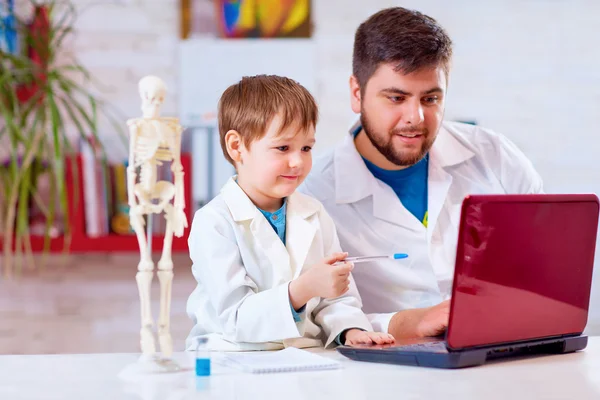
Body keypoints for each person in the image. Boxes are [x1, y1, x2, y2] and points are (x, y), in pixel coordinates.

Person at [299, 7, 543, 340]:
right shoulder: (312, 196)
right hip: (386, 372)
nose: (415, 117)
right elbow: (312, 319)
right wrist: (404, 323)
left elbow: (541, 271)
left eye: (430, 98)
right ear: (357, 94)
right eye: (396, 98)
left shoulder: (496, 157)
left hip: (501, 353)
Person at [185, 75, 394, 351]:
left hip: (305, 358)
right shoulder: (214, 223)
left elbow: (336, 299)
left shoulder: (314, 213)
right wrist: (304, 288)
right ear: (237, 147)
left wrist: (350, 329)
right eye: (282, 148)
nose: (297, 161)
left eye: (306, 148)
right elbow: (235, 318)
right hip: (234, 358)